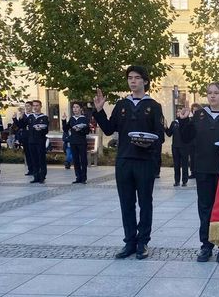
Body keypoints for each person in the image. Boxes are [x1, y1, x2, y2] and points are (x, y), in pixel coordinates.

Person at [93, 65, 164, 260]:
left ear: (145, 81)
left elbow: (160, 136)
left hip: (145, 162)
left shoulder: (154, 106)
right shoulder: (121, 105)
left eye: (137, 78)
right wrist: (98, 112)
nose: (133, 81)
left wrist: (151, 152)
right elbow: (108, 130)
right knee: (126, 203)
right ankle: (129, 242)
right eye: (130, 78)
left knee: (145, 203)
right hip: (124, 160)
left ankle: (143, 242)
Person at [178, 82, 219, 263]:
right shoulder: (199, 115)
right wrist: (184, 120)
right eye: (209, 93)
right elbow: (186, 138)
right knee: (205, 208)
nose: (213, 96)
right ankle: (206, 245)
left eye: (216, 93)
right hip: (203, 168)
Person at [21, 100, 48, 184]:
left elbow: (46, 130)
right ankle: (36, 176)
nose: (35, 107)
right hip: (31, 141)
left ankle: (42, 176)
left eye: (37, 105)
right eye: (34, 106)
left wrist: (41, 129)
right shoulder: (30, 117)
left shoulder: (44, 117)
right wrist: (17, 118)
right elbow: (22, 125)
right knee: (34, 159)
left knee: (41, 159)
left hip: (40, 141)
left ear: (40, 106)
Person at [62, 103, 90, 183]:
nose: (75, 109)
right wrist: (64, 120)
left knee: (83, 160)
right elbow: (65, 129)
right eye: (73, 107)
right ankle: (78, 177)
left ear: (80, 109)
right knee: (76, 160)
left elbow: (87, 131)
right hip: (73, 142)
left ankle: (84, 178)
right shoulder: (72, 119)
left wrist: (80, 130)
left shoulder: (84, 119)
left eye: (77, 107)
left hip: (81, 142)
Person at [166, 108, 190, 187]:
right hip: (175, 147)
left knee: (184, 164)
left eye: (180, 111)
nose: (178, 113)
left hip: (184, 146)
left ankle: (184, 181)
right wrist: (165, 127)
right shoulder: (174, 123)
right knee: (176, 164)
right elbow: (169, 134)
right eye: (177, 112)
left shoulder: (187, 122)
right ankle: (177, 181)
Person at [13, 102, 34, 175]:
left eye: (28, 106)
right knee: (27, 154)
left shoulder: (34, 115)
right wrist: (15, 119)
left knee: (33, 154)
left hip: (33, 137)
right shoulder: (23, 115)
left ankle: (36, 169)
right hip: (25, 137)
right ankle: (30, 170)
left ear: (32, 107)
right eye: (26, 106)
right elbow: (20, 126)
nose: (27, 108)